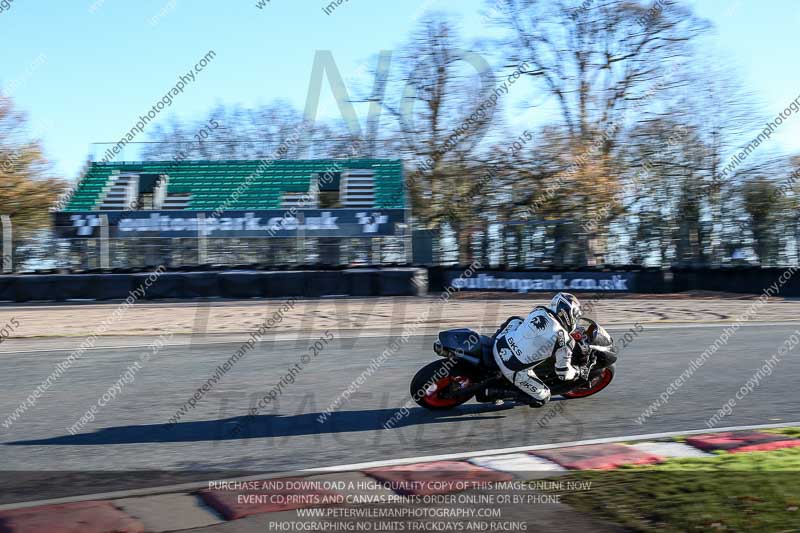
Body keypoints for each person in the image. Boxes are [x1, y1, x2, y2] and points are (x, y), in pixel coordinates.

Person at [492, 292, 582, 407]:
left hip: (499, 344)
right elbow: (563, 373)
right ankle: (500, 393)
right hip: (512, 368)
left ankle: (489, 345)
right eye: (575, 316)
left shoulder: (539, 310)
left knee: (515, 320)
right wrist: (577, 372)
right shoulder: (565, 340)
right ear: (568, 313)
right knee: (544, 397)